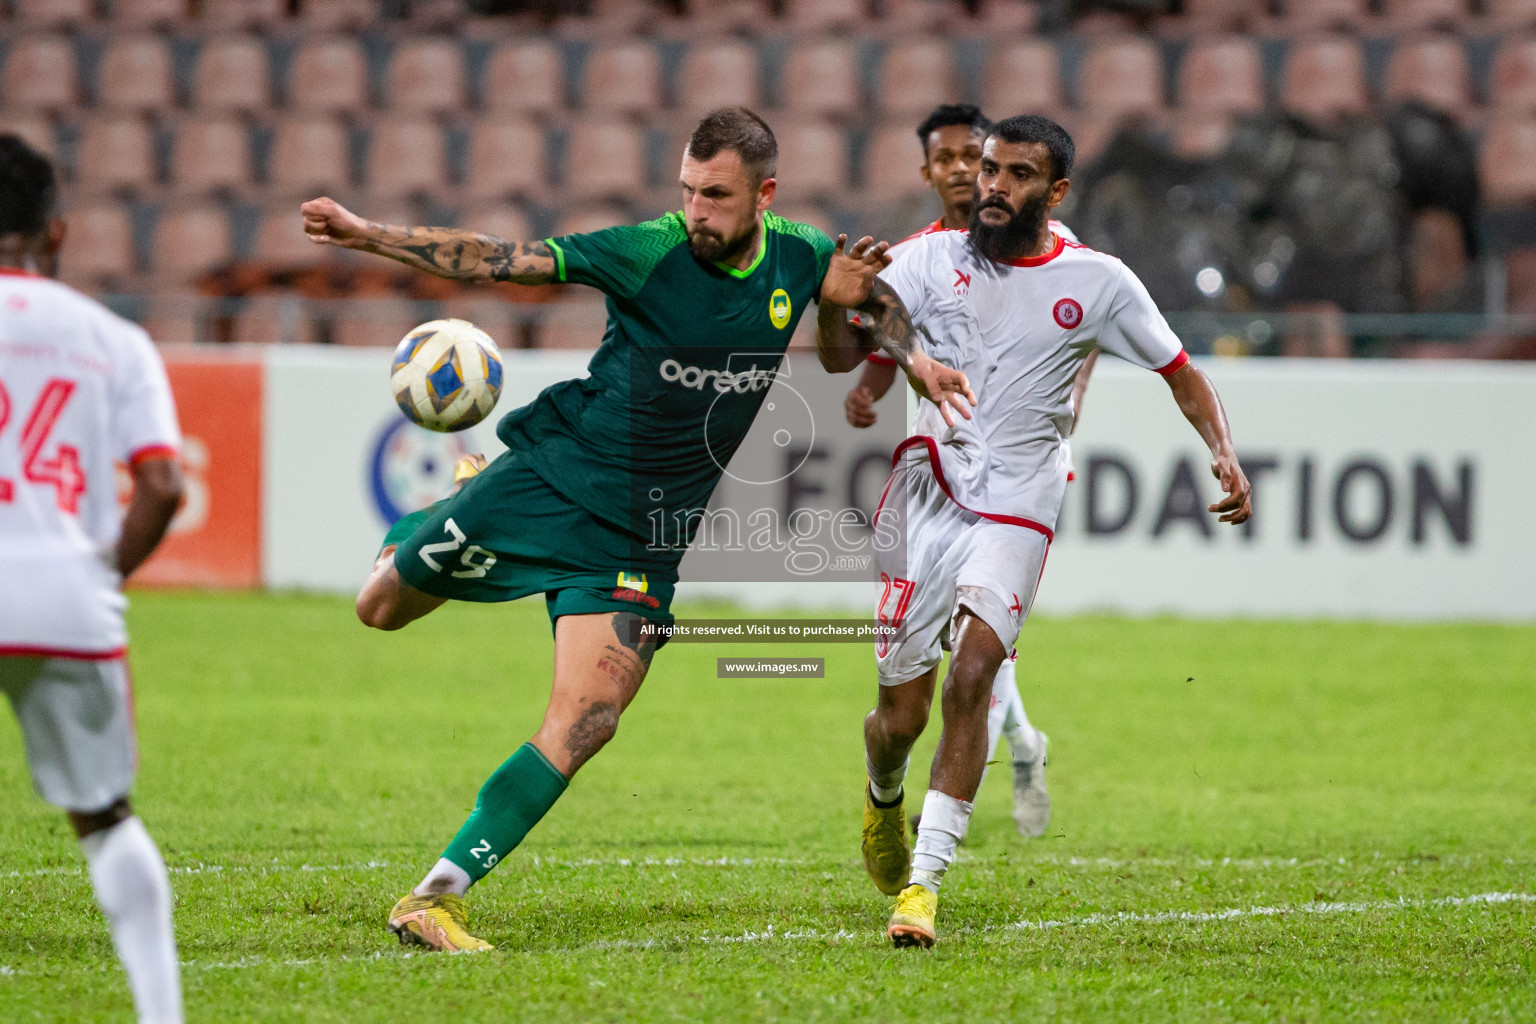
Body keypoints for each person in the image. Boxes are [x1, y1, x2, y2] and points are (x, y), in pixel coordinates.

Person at [299, 107, 974, 952]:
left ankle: (436, 896)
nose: (697, 210)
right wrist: (367, 237)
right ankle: (431, 518)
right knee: (380, 608)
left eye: (717, 195)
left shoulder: (798, 254)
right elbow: (507, 262)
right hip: (553, 481)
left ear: (763, 195)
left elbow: (858, 322)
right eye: (688, 191)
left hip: (644, 540)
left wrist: (913, 358)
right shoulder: (645, 250)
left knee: (592, 717)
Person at [818, 114, 1253, 949]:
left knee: (975, 674)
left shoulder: (1099, 281)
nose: (993, 186)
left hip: (1021, 497)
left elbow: (1181, 373)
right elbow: (841, 353)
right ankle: (881, 798)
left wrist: (1224, 451)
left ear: (1053, 193)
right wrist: (840, 310)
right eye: (988, 169)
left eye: (1017, 175)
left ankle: (922, 888)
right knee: (898, 719)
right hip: (928, 493)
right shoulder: (924, 259)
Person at [845, 103, 1094, 840]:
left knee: (976, 653)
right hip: (939, 476)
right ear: (928, 172)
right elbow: (895, 331)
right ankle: (1021, 747)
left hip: (1018, 476)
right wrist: (872, 386)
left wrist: (1068, 402)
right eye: (948, 158)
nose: (962, 169)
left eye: (972, 155)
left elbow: (1085, 329)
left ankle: (943, 815)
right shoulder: (921, 253)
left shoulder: (1062, 251)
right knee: (943, 664)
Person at [0, 135, 187, 1022]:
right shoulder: (112, 338)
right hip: (63, 599)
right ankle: (160, 1013)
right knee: (105, 817)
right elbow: (161, 483)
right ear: (58, 232)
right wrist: (102, 572)